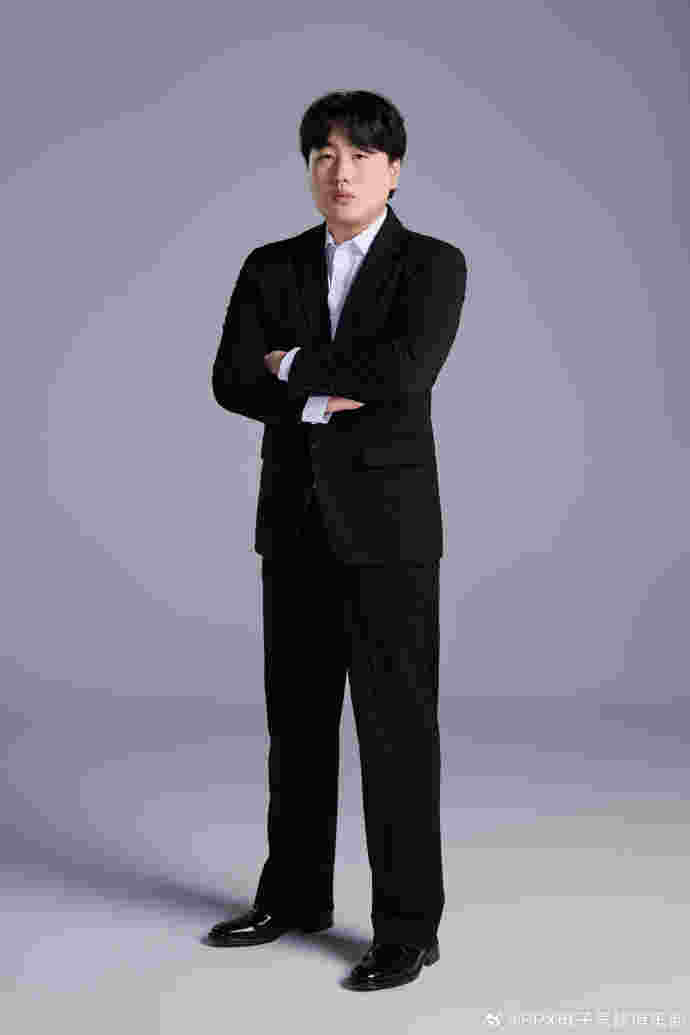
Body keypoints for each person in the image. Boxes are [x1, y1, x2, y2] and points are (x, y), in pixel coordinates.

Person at [206, 89, 468, 991]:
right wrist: (324, 391)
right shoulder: (270, 264)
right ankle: (293, 896)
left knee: (399, 734)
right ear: (309, 169)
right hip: (294, 527)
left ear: (394, 170)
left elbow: (404, 371)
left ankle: (408, 928)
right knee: (298, 728)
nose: (340, 170)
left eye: (359, 155)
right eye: (323, 155)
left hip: (392, 536)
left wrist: (291, 365)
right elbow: (230, 378)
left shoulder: (432, 265)